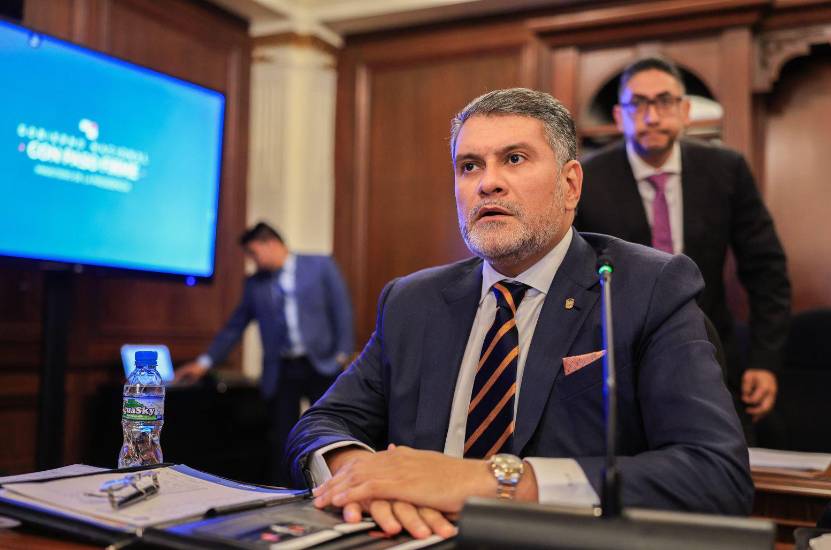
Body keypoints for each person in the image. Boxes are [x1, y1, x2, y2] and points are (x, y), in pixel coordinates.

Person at [286, 88, 752, 539]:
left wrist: (490, 482)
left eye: (514, 159)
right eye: (469, 166)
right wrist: (362, 476)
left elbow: (715, 474)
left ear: (570, 185)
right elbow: (320, 424)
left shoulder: (647, 288)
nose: (487, 182)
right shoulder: (412, 300)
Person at [574, 56, 791, 435]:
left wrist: (765, 360)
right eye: (638, 104)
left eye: (664, 102)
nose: (652, 117)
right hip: (619, 361)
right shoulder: (585, 179)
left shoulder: (726, 169)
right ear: (619, 116)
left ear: (685, 111)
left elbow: (766, 269)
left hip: (711, 350)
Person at [176, 221, 354, 482]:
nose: (252, 261)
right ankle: (284, 490)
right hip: (282, 369)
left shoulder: (320, 265)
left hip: (322, 364)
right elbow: (234, 326)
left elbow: (342, 310)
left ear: (270, 244)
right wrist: (204, 362)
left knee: (329, 430)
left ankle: (332, 485)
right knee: (282, 438)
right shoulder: (254, 284)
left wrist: (342, 355)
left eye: (253, 253)